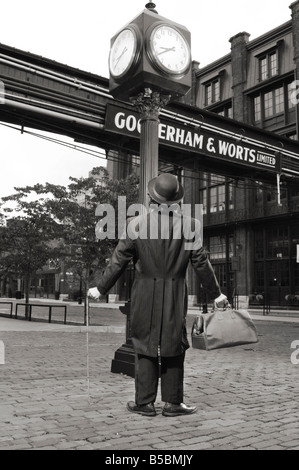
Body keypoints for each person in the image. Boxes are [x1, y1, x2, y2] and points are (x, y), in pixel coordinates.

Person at [88, 173, 228, 418]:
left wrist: (100, 288)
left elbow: (118, 262)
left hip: (144, 293)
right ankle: (173, 403)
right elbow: (201, 263)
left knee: (144, 343)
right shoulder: (190, 226)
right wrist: (216, 294)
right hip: (175, 293)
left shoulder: (136, 225)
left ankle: (144, 403)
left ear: (152, 198)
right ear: (176, 200)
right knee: (175, 343)